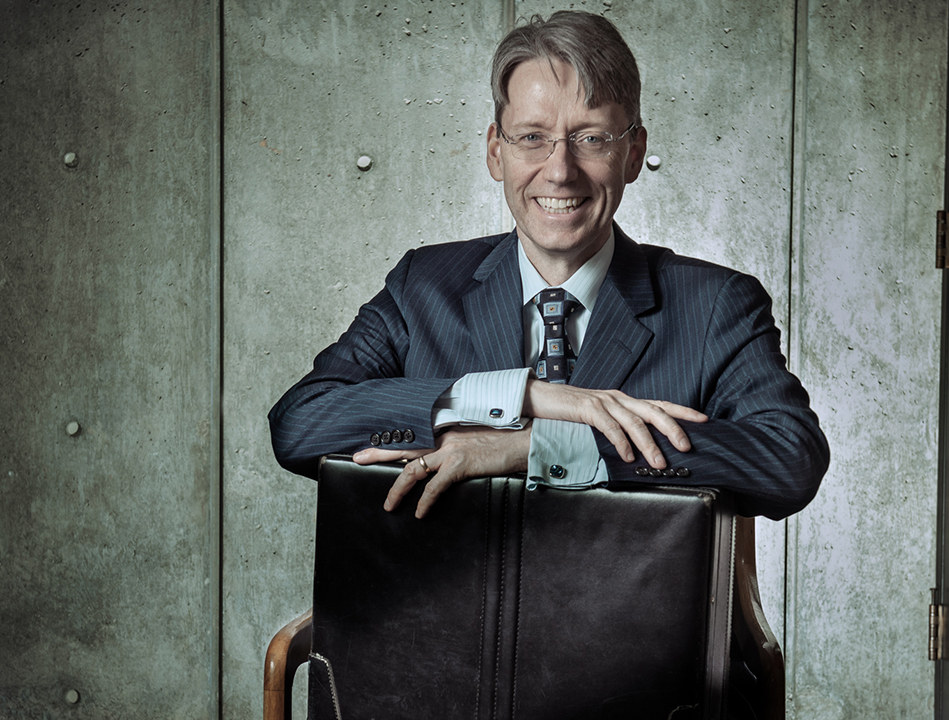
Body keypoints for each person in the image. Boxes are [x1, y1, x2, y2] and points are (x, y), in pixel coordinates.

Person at [268, 10, 829, 522]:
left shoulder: (713, 305)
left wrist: (540, 442)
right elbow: (299, 423)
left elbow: (789, 460)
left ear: (633, 154)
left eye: (590, 138)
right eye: (532, 138)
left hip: (623, 631)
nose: (560, 171)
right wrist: (524, 396)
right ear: (496, 151)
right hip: (442, 626)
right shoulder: (423, 286)